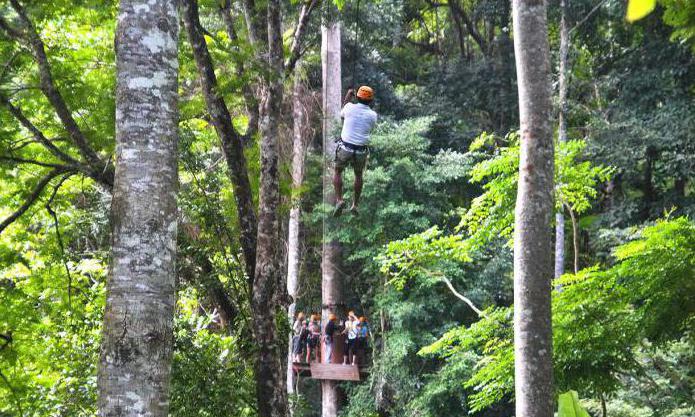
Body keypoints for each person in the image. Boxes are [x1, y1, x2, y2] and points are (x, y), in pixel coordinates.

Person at [333, 86, 378, 217]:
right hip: (361, 150)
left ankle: (339, 200)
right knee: (358, 175)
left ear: (357, 97)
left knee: (337, 171)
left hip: (345, 147)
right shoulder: (373, 115)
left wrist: (348, 96)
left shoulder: (349, 107)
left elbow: (342, 113)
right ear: (370, 101)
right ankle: (355, 205)